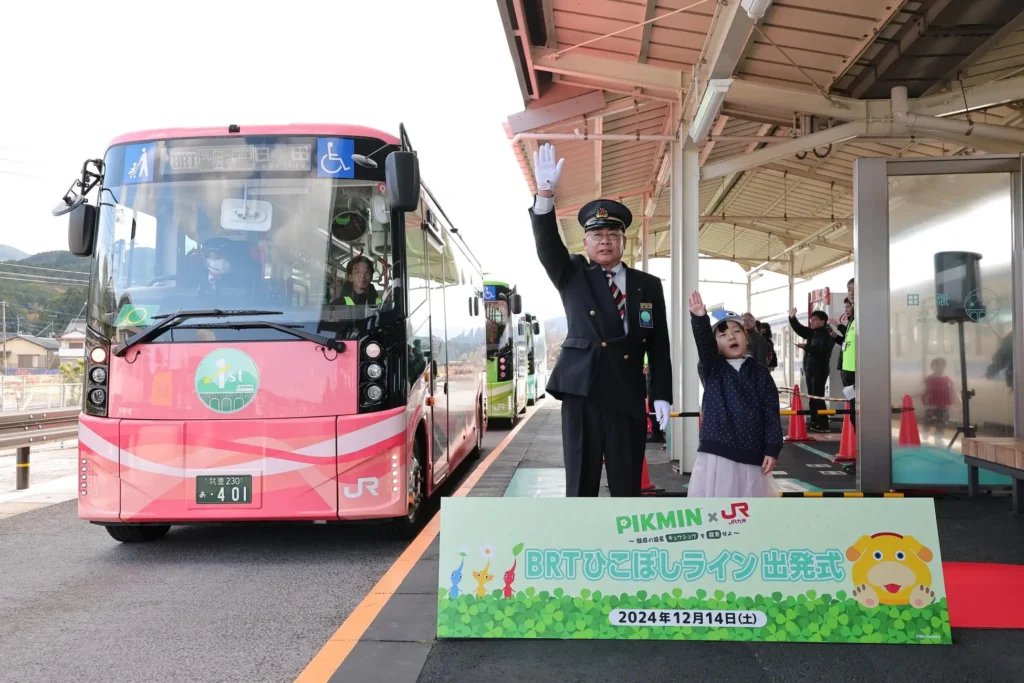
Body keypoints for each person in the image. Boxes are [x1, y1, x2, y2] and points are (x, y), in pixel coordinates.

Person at [529, 143, 672, 497]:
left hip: (626, 390)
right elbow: (547, 244)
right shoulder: (572, 273)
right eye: (597, 236)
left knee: (626, 484)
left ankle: (622, 548)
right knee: (581, 480)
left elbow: (658, 345)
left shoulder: (647, 285)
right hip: (582, 391)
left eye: (612, 235)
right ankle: (581, 548)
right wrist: (544, 195)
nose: (605, 241)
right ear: (586, 242)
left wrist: (662, 395)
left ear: (624, 240)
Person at [687, 292, 781, 498]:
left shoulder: (760, 372)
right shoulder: (712, 368)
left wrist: (772, 448)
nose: (731, 336)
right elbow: (703, 346)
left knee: (750, 510)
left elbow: (771, 412)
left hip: (753, 453)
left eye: (736, 331)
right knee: (719, 507)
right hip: (717, 451)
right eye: (722, 334)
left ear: (746, 338)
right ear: (715, 344)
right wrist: (699, 319)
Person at [789, 309, 836, 432]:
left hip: (819, 370)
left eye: (814, 320)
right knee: (812, 398)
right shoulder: (813, 333)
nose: (812, 322)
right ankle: (815, 422)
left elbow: (822, 350)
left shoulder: (827, 334)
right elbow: (800, 329)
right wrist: (792, 318)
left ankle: (823, 424)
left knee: (818, 398)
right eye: (811, 320)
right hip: (810, 370)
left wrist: (806, 347)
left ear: (822, 321)